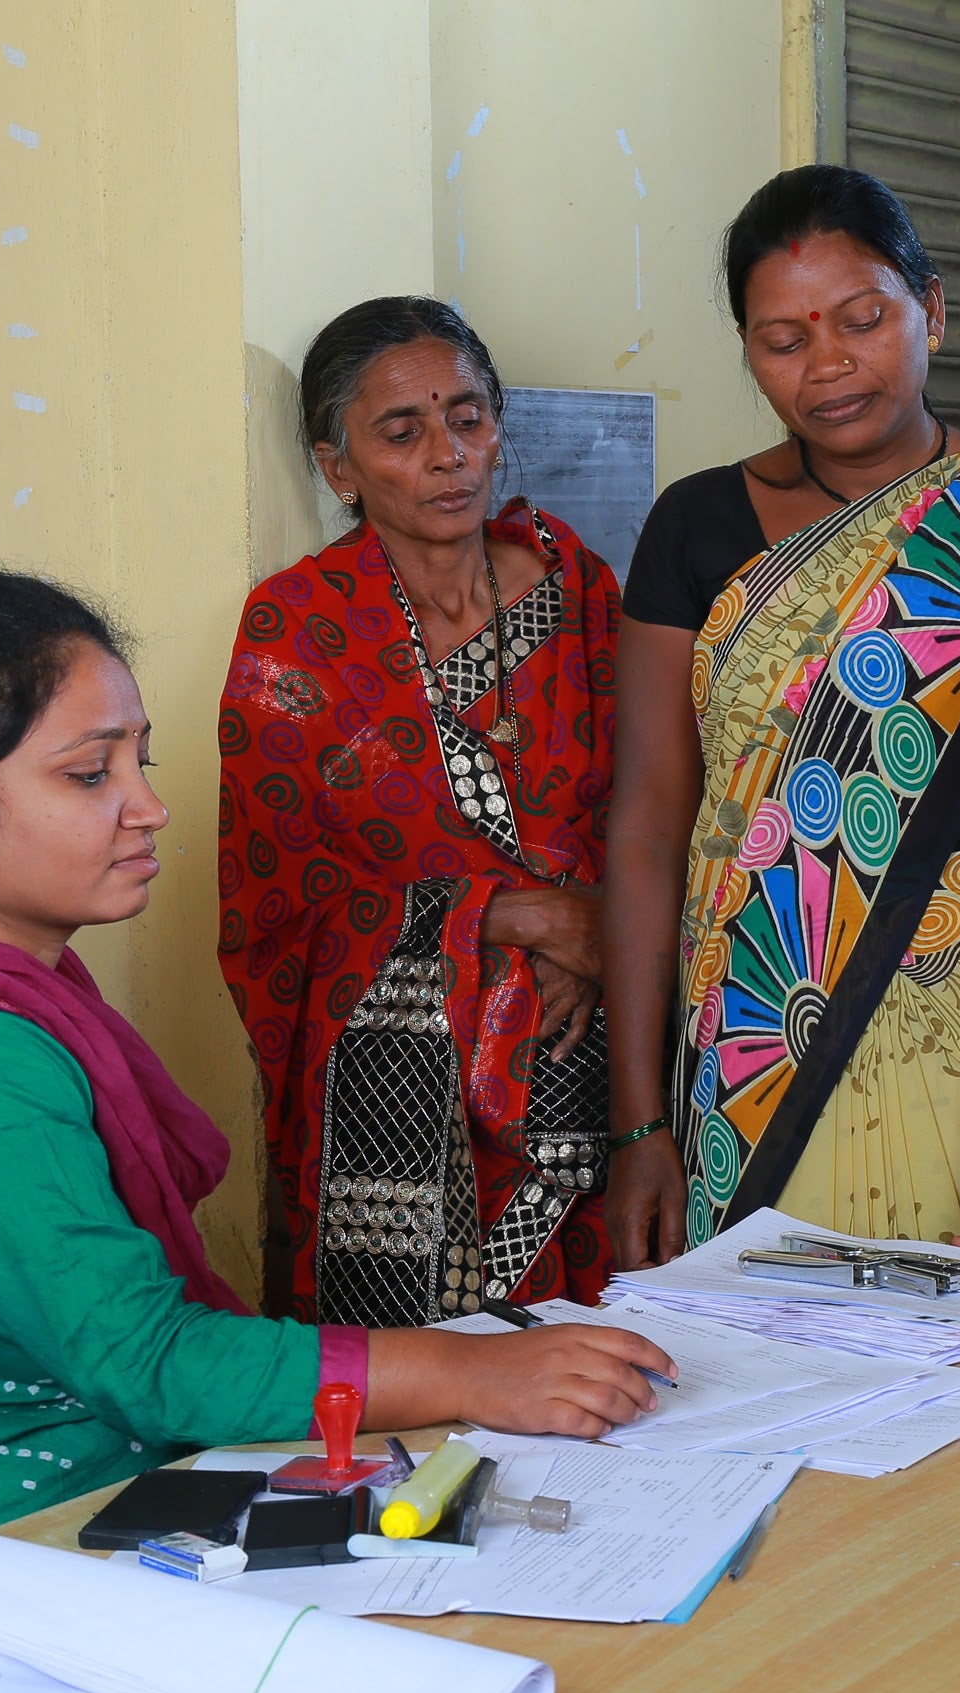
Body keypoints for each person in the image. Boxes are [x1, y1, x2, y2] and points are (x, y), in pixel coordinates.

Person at [0, 572, 671, 1552]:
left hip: (98, 1496)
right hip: (8, 1552)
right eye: (90, 773)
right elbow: (146, 1359)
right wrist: (476, 1373)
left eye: (143, 761)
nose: (148, 807)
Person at [601, 163, 960, 1274]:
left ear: (931, 310)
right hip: (756, 1018)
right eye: (782, 338)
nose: (830, 364)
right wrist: (637, 1125)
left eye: (864, 318)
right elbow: (651, 821)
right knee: (773, 1379)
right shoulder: (694, 526)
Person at [220, 298, 620, 1325]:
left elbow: (662, 796)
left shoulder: (575, 589)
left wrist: (601, 936)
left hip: (600, 1050)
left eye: (468, 417)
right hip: (402, 1081)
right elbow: (278, 899)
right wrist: (516, 916)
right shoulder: (298, 629)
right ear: (338, 466)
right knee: (426, 1398)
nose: (448, 454)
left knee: (622, 1363)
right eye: (402, 431)